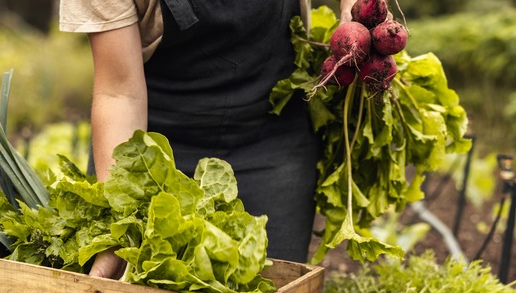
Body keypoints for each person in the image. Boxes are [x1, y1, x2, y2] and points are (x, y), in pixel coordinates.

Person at [59, 1, 357, 278]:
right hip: (154, 153)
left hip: (272, 136)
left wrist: (357, 12)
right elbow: (119, 93)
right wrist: (119, 221)